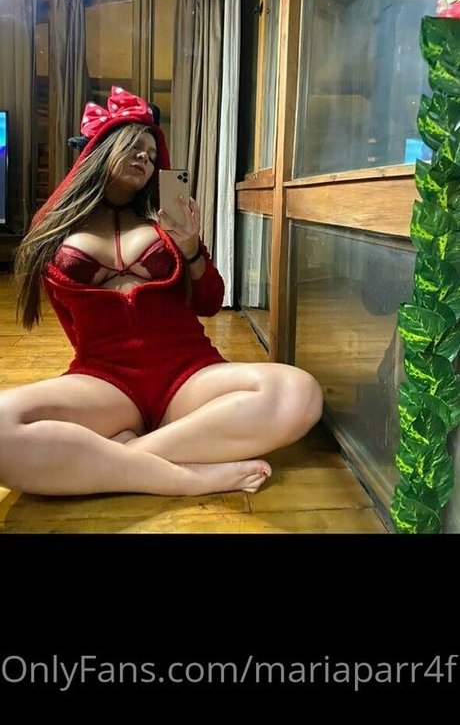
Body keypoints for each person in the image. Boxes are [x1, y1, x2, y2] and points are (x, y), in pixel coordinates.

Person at [0, 87, 322, 499]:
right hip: (105, 382)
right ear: (101, 149)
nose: (145, 159)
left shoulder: (167, 225)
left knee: (299, 393)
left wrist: (190, 249)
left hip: (189, 375)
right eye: (134, 147)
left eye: (152, 155)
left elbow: (210, 302)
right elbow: (71, 327)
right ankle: (186, 479)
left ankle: (124, 457)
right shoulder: (54, 233)